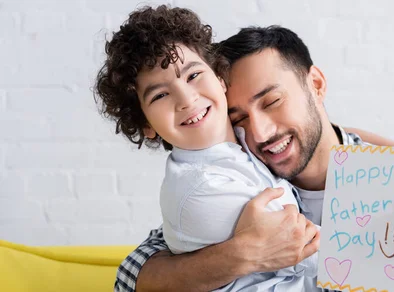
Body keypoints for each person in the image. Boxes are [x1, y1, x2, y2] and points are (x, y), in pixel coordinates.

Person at [110, 8, 394, 292]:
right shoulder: (245, 178)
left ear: (316, 84)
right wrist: (241, 255)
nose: (261, 132)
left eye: (272, 101)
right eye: (239, 118)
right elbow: (132, 274)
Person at [94, 6, 320, 291]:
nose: (186, 99)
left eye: (192, 76)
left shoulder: (244, 139)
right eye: (160, 95)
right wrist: (383, 246)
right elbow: (307, 249)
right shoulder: (203, 188)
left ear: (220, 78)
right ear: (146, 124)